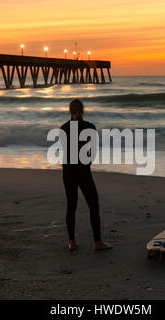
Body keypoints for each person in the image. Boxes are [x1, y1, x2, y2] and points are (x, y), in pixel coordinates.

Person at [61, 99, 112, 252]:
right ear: (83, 110)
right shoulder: (89, 127)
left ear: (70, 111)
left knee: (71, 206)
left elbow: (65, 152)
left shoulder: (63, 128)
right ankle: (97, 242)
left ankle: (71, 242)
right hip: (82, 170)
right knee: (93, 205)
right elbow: (92, 152)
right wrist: (86, 165)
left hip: (68, 170)